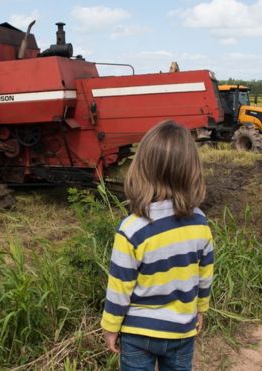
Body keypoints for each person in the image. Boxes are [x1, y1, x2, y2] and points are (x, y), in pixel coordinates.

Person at [100, 120, 214, 371]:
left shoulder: (132, 229)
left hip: (138, 333)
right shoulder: (200, 223)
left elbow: (119, 287)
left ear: (141, 168)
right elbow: (205, 277)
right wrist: (201, 310)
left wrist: (110, 327)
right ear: (191, 170)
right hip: (182, 331)